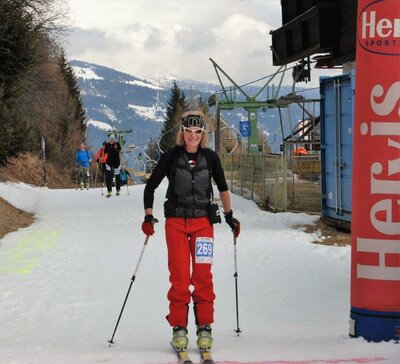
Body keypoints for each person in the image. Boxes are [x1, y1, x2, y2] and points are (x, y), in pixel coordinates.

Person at [142, 110, 240, 352]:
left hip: (203, 225)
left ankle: (204, 326)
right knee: (179, 276)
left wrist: (230, 216)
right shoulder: (171, 157)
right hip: (176, 223)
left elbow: (223, 188)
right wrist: (148, 216)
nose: (192, 136)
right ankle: (179, 327)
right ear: (182, 132)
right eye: (188, 131)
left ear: (202, 134)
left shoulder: (211, 158)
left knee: (203, 275)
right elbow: (151, 187)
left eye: (197, 132)